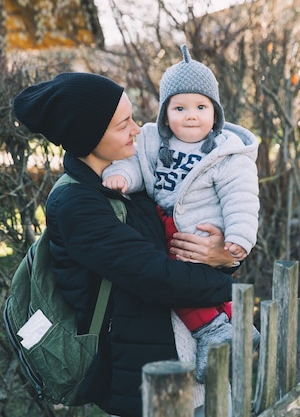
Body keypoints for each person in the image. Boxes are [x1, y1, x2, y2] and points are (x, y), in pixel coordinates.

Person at [13, 72, 239, 417]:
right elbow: (155, 276)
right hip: (144, 379)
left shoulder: (132, 179)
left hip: (181, 360)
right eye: (123, 125)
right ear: (87, 136)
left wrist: (226, 256)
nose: (137, 129)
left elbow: (186, 238)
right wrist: (225, 280)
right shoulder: (78, 205)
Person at [102, 44, 260, 383]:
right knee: (183, 281)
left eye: (201, 107)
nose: (191, 115)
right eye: (180, 107)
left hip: (202, 231)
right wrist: (122, 178)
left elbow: (242, 198)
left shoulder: (226, 153)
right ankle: (238, 326)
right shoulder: (152, 143)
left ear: (215, 113)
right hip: (167, 229)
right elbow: (135, 165)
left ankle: (212, 332)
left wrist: (239, 238)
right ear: (164, 113)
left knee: (186, 284)